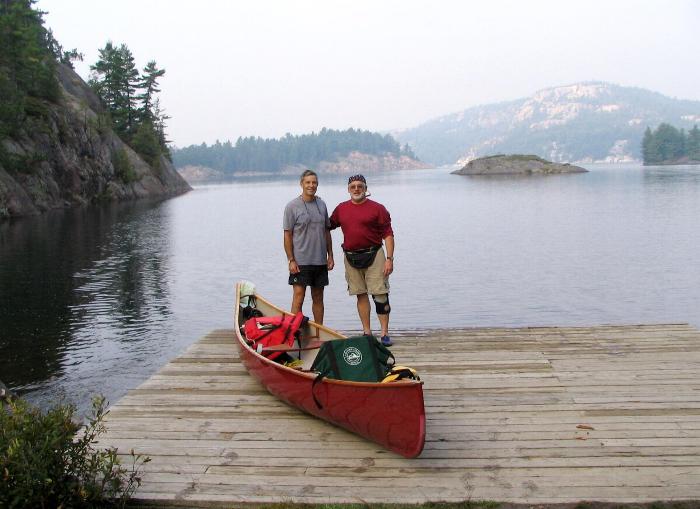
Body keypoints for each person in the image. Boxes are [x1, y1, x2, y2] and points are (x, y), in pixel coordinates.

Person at [330, 174, 394, 346]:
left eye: (360, 186)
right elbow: (326, 226)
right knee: (360, 295)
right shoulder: (341, 209)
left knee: (380, 295)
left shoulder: (378, 208)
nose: (356, 189)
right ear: (348, 189)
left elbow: (388, 234)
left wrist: (389, 258)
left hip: (375, 254)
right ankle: (367, 332)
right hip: (351, 257)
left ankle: (384, 334)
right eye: (353, 186)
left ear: (366, 189)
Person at [283, 170, 334, 324]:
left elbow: (326, 231)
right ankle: (293, 332)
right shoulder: (292, 206)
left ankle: (319, 332)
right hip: (301, 260)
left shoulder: (322, 204)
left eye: (314, 182)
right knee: (299, 296)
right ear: (301, 184)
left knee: (318, 298)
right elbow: (287, 235)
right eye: (308, 182)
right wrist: (291, 260)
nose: (311, 185)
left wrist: (330, 255)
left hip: (319, 260)